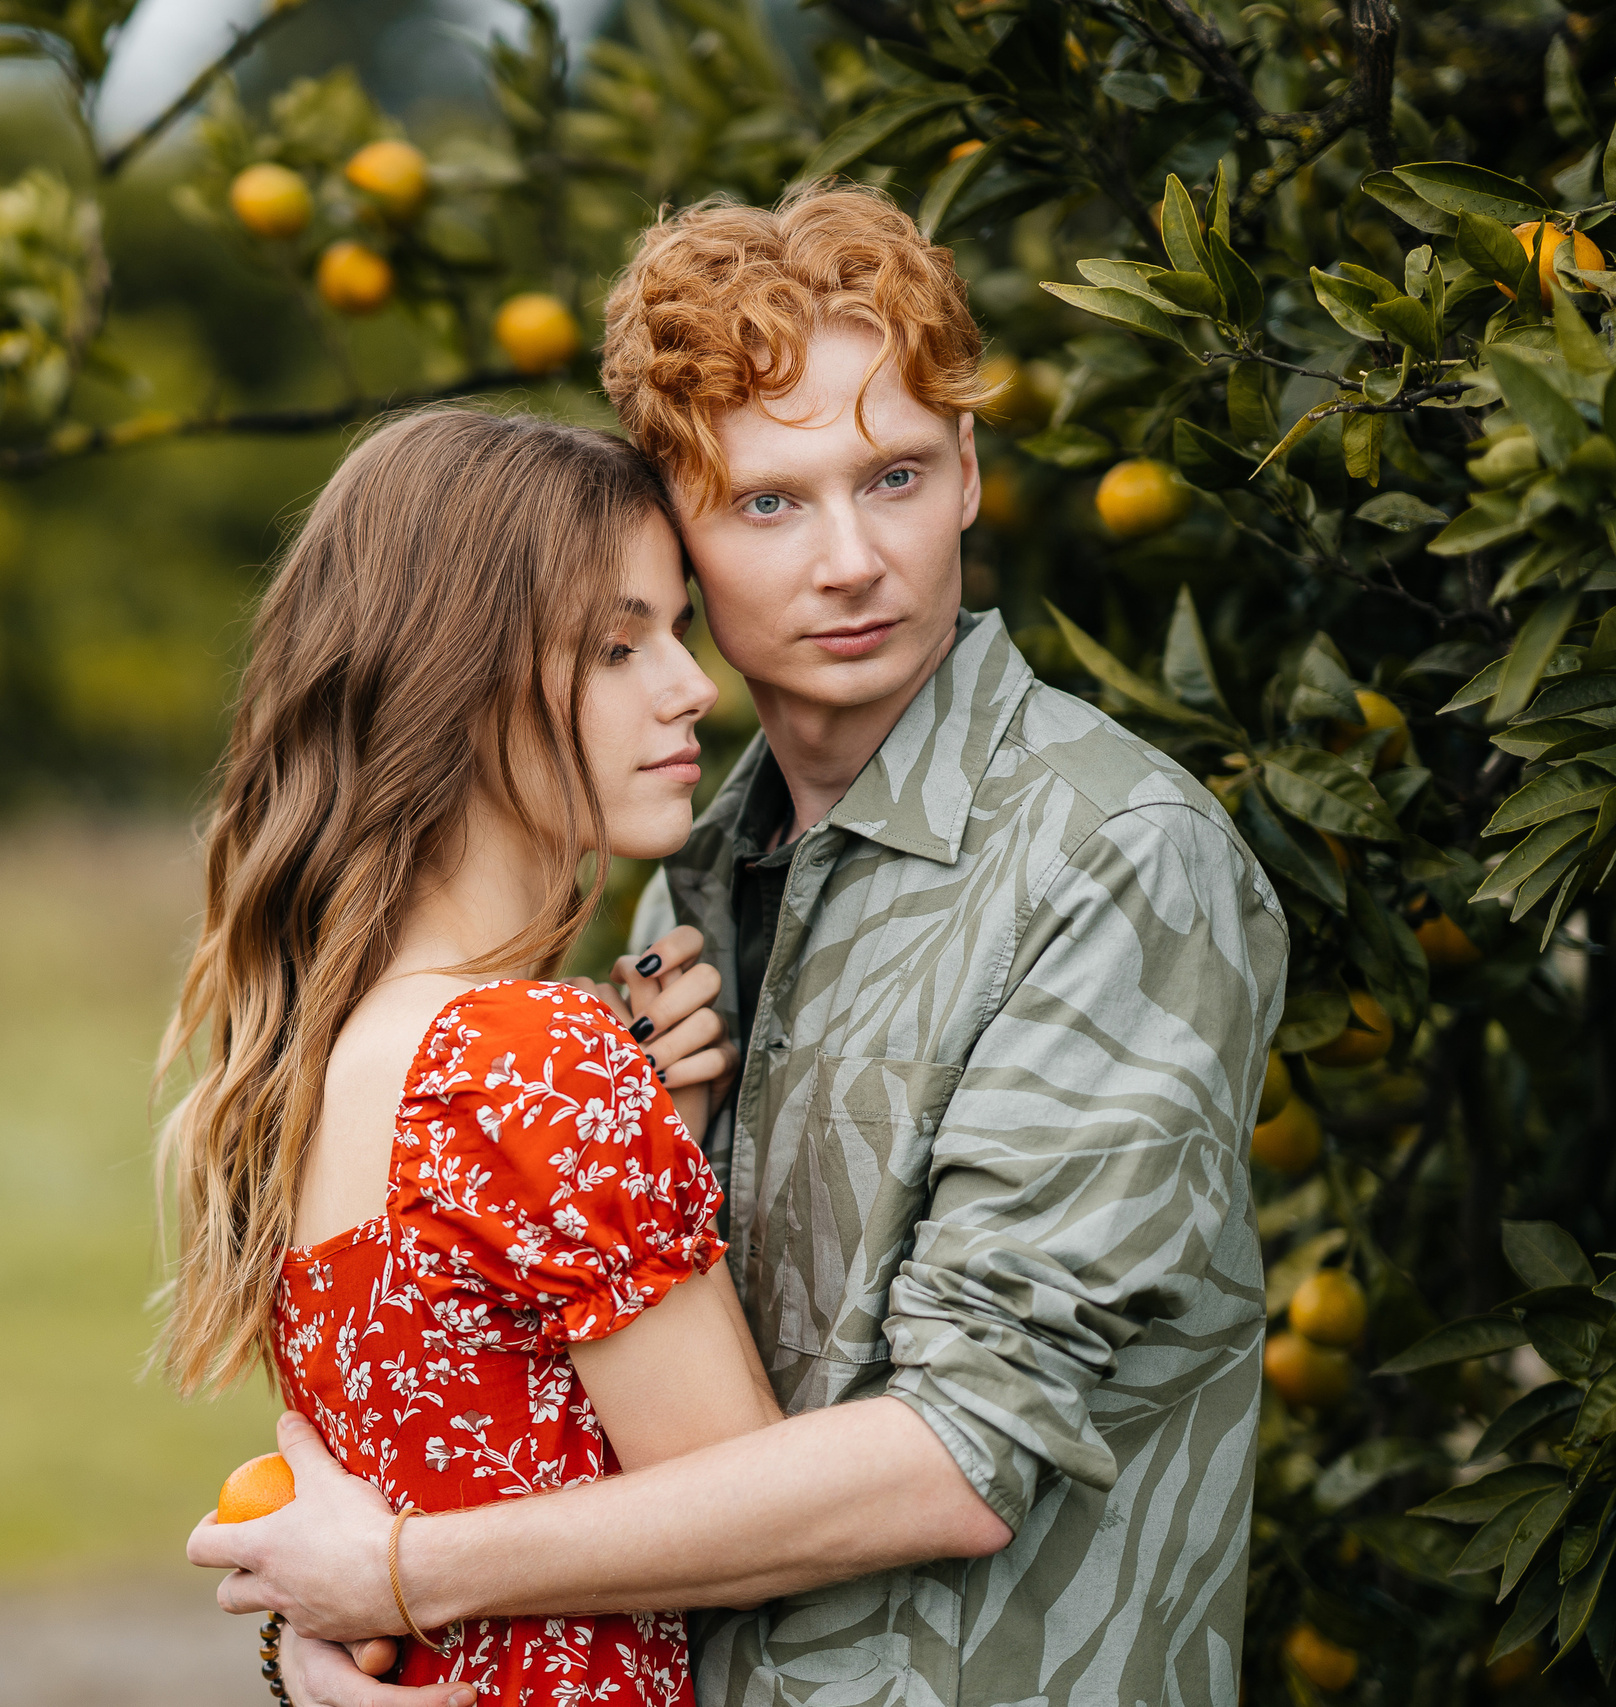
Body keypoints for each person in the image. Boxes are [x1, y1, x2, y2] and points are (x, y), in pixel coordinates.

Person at [189, 184, 1290, 1707]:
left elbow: (967, 1455)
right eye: (771, 502)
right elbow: (519, 1375)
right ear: (673, 531)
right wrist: (334, 1642)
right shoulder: (687, 883)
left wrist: (397, 1577)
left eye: (896, 475)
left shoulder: (1117, 860)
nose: (852, 559)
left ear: (971, 472)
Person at [158, 406, 783, 1706]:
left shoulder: (322, 1053)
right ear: (455, 675)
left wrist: (653, 1121)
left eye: (678, 631)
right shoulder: (527, 1056)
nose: (692, 688)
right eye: (619, 647)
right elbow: (759, 1519)